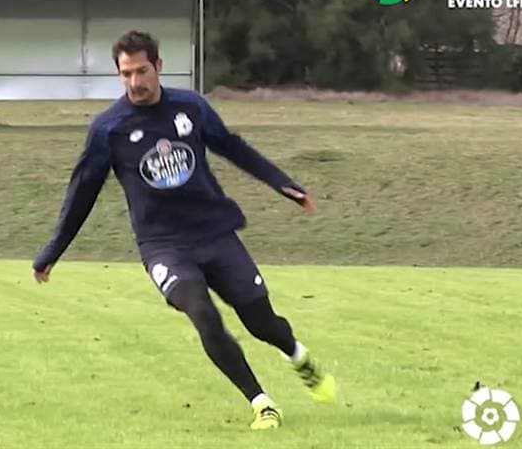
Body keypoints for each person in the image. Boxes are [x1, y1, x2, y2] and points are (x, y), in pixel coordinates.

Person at [32, 30, 336, 430]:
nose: (135, 82)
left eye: (142, 71)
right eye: (126, 74)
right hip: (163, 246)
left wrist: (282, 183)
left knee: (260, 321)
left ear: (158, 66)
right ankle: (261, 403)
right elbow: (82, 192)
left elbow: (232, 146)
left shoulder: (190, 108)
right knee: (203, 314)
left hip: (214, 232)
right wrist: (52, 252)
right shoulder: (109, 128)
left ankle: (298, 356)